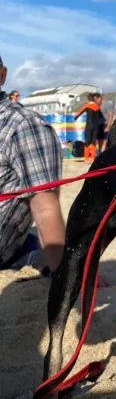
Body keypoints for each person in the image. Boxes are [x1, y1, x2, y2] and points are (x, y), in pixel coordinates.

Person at [0, 56, 65, 272]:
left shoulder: (23, 125)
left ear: (2, 75)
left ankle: (29, 252)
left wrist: (63, 277)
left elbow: (45, 206)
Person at [74, 93, 101, 162]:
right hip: (96, 126)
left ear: (88, 99)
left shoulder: (87, 105)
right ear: (94, 99)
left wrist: (75, 117)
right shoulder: (97, 107)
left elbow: (78, 113)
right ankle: (92, 158)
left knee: (87, 141)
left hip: (89, 125)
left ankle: (86, 158)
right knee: (93, 141)